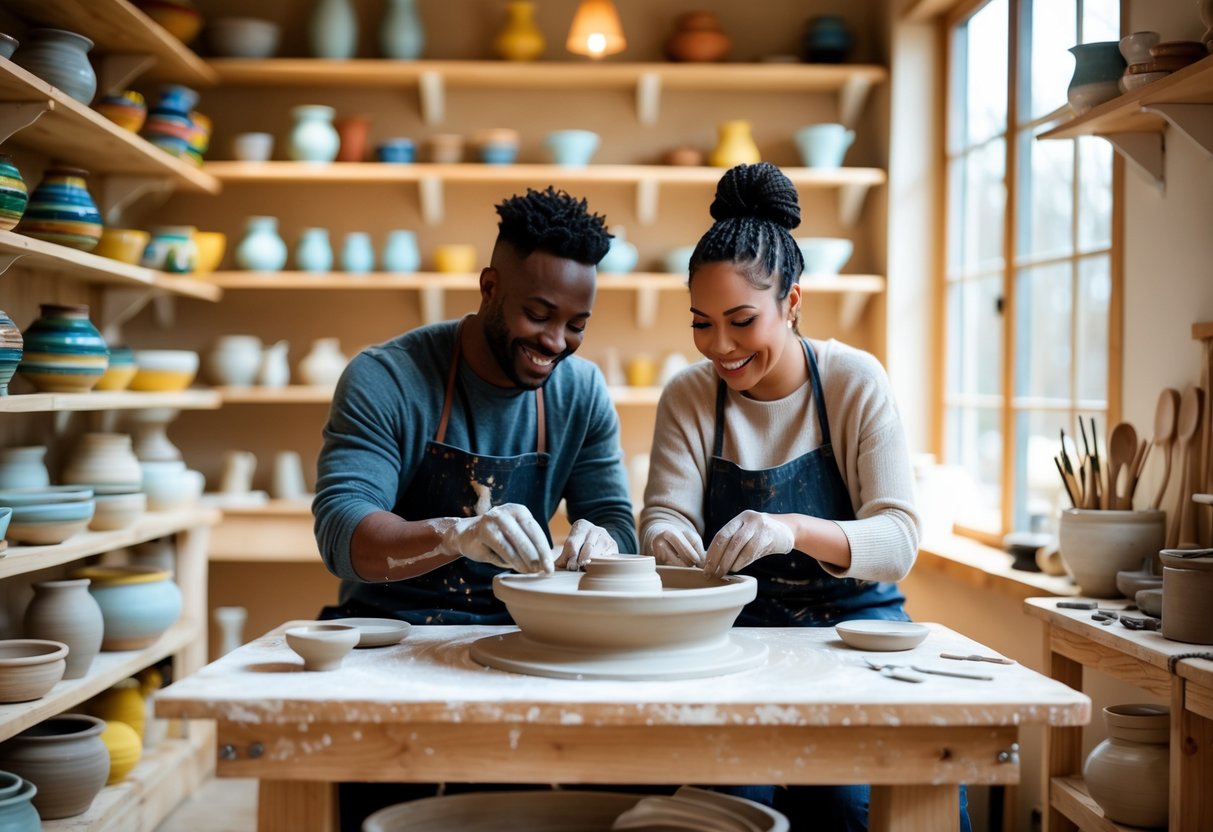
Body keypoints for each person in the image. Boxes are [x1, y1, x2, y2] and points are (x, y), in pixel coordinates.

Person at [640, 162, 969, 831]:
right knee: (720, 805)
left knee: (850, 805)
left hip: (855, 632)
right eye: (701, 323)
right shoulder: (688, 393)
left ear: (792, 302)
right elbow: (664, 511)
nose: (720, 347)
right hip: (733, 639)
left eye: (740, 321)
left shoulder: (851, 380)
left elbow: (898, 539)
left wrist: (791, 528)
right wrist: (665, 539)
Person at [313, 184, 637, 624]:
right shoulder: (386, 377)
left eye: (576, 325)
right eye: (539, 315)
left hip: (521, 628)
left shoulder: (581, 392)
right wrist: (455, 535)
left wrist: (604, 542)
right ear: (489, 287)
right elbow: (342, 532)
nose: (556, 341)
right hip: (389, 628)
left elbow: (614, 520)